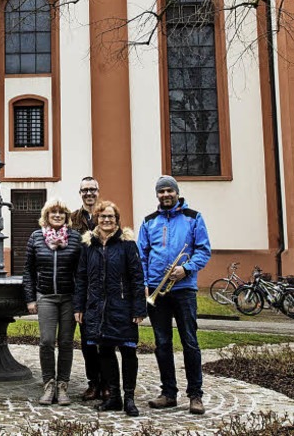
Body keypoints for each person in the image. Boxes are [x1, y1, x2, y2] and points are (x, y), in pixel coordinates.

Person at [137, 175, 212, 416]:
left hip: (184, 290)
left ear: (177, 193)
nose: (166, 195)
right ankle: (168, 393)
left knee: (190, 342)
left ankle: (195, 395)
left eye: (170, 191)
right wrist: (146, 284)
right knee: (162, 344)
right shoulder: (149, 221)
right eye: (161, 192)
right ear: (157, 195)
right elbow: (142, 256)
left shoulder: (193, 218)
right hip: (157, 294)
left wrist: (186, 269)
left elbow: (203, 250)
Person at [74, 199, 146, 417]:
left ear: (117, 220)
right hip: (96, 307)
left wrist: (139, 309)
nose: (106, 220)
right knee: (104, 351)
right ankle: (114, 397)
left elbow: (137, 277)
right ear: (97, 218)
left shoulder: (127, 245)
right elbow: (81, 277)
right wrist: (79, 306)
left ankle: (130, 398)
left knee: (128, 351)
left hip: (121, 307)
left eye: (111, 217)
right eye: (103, 216)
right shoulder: (88, 245)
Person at [23, 198, 82, 406]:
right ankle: (48, 384)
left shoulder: (75, 238)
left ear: (66, 217)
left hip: (69, 297)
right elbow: (28, 271)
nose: (57, 215)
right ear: (46, 216)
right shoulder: (36, 237)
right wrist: (30, 298)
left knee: (66, 342)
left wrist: (79, 303)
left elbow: (81, 273)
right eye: (53, 212)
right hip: (46, 296)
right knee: (47, 341)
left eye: (61, 213)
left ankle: (63, 385)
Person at [70, 176, 102, 401]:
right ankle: (93, 383)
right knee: (87, 339)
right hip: (79, 285)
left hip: (103, 287)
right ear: (80, 193)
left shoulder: (107, 215)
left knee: (106, 339)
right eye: (85, 190)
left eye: (92, 189)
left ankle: (107, 383)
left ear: (98, 192)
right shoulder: (72, 219)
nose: (89, 194)